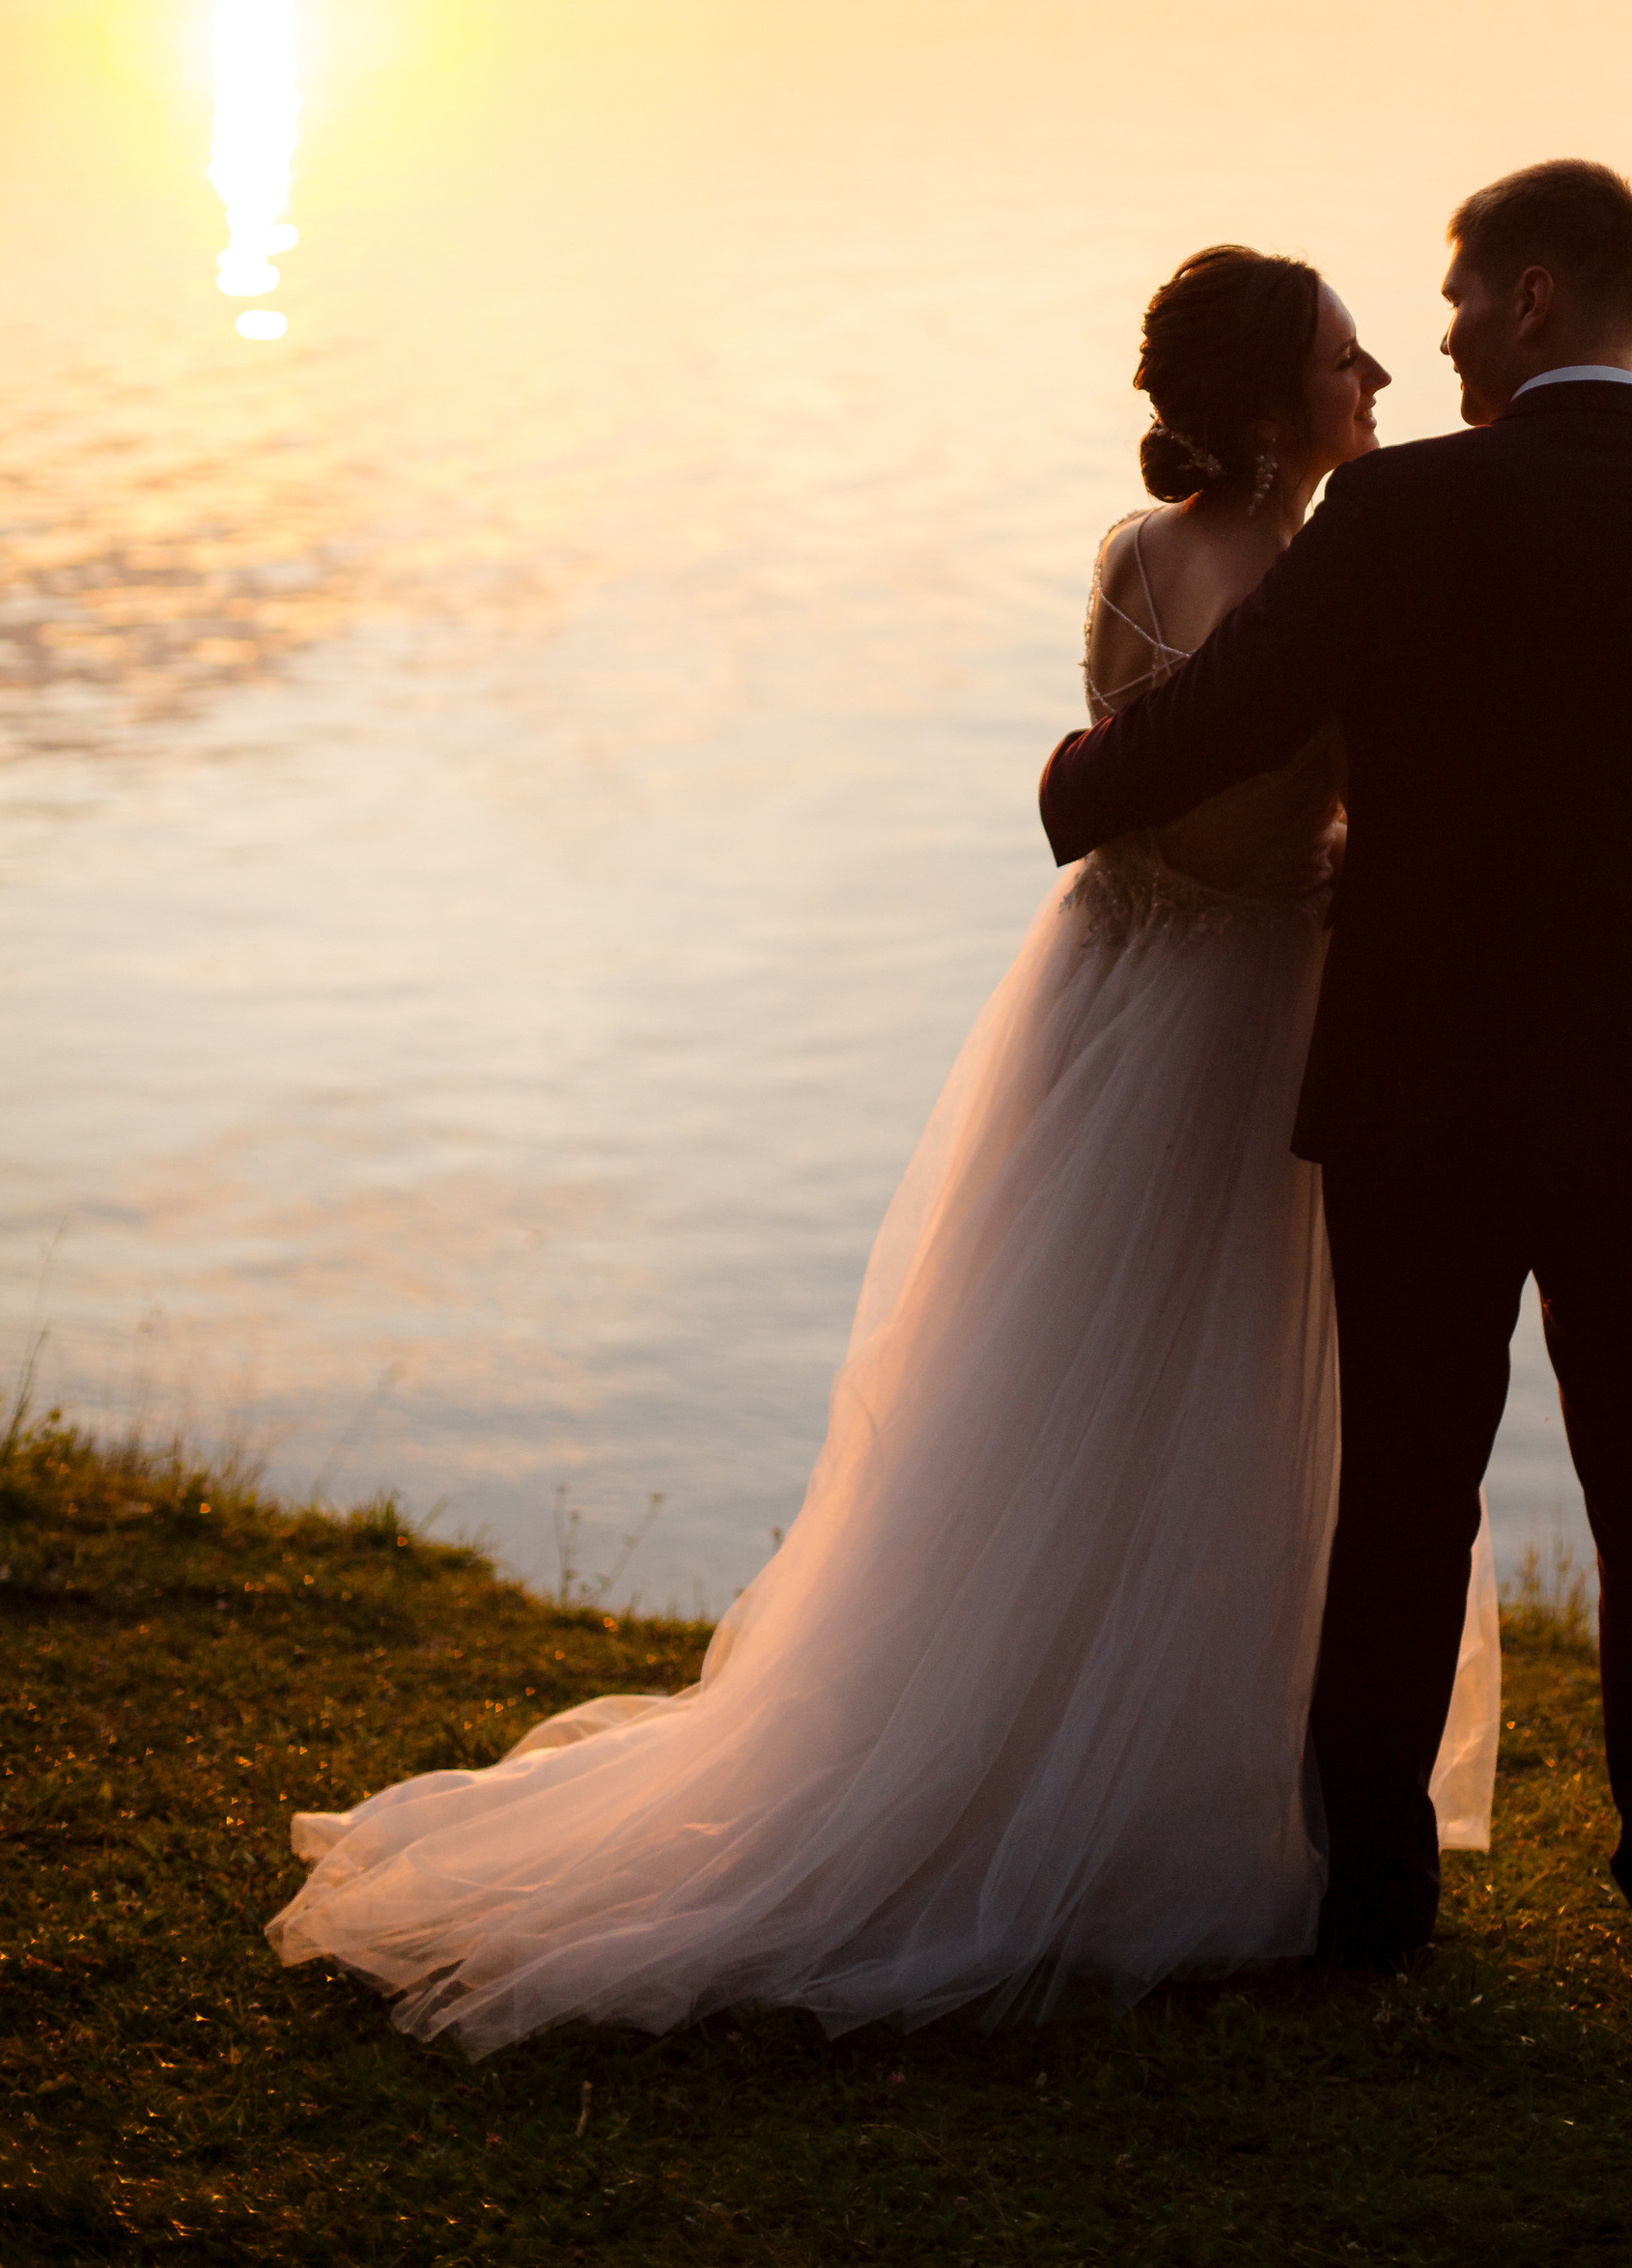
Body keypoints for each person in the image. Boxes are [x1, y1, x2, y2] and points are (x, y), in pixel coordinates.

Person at [268, 245, 1499, 2051]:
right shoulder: (1326, 580)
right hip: (1247, 1026)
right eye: (1340, 357)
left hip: (1110, 1001)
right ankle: (1184, 1806)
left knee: (1056, 1395)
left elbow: (1122, 791)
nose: (1378, 371)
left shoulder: (1138, 559)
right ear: (1263, 405)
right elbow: (1281, 802)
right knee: (1233, 1400)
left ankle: (1039, 1744)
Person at [1041, 158, 1632, 1970]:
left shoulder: (1405, 514)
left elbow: (1217, 723)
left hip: (1423, 1079)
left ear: (1529, 300)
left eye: (1451, 302)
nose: (1430, 341)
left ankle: (1374, 1902)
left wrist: (1074, 789)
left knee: (1406, 1488)